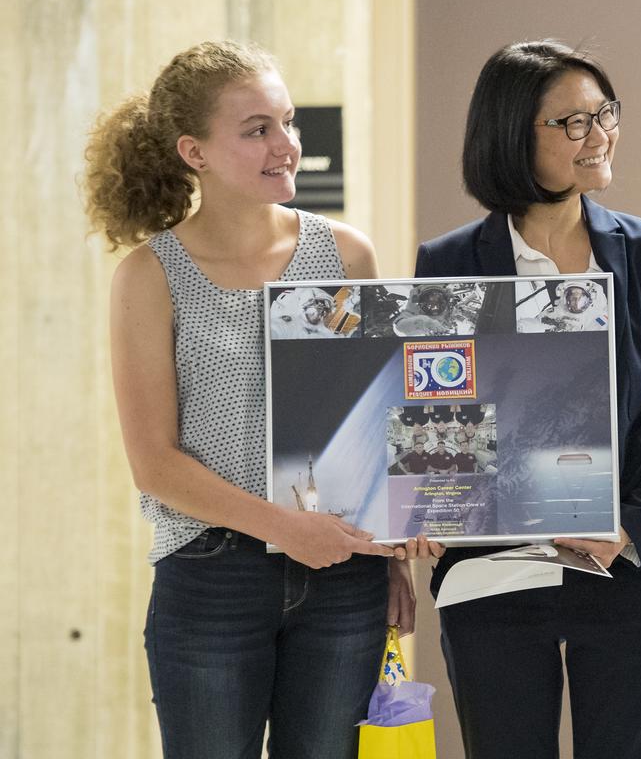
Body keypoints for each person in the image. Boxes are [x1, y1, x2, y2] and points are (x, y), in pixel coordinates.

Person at [84, 40, 442, 759]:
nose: (287, 145)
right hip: (210, 580)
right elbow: (154, 463)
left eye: (287, 122)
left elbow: (374, 427)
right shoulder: (150, 277)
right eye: (257, 130)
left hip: (345, 577)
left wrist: (393, 560)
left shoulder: (347, 255)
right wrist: (284, 525)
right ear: (195, 151)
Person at [414, 40, 641, 759]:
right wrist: (423, 503)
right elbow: (436, 419)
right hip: (489, 576)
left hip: (623, 571)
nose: (599, 136)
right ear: (513, 137)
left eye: (603, 114)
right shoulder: (448, 263)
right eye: (572, 123)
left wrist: (629, 529)